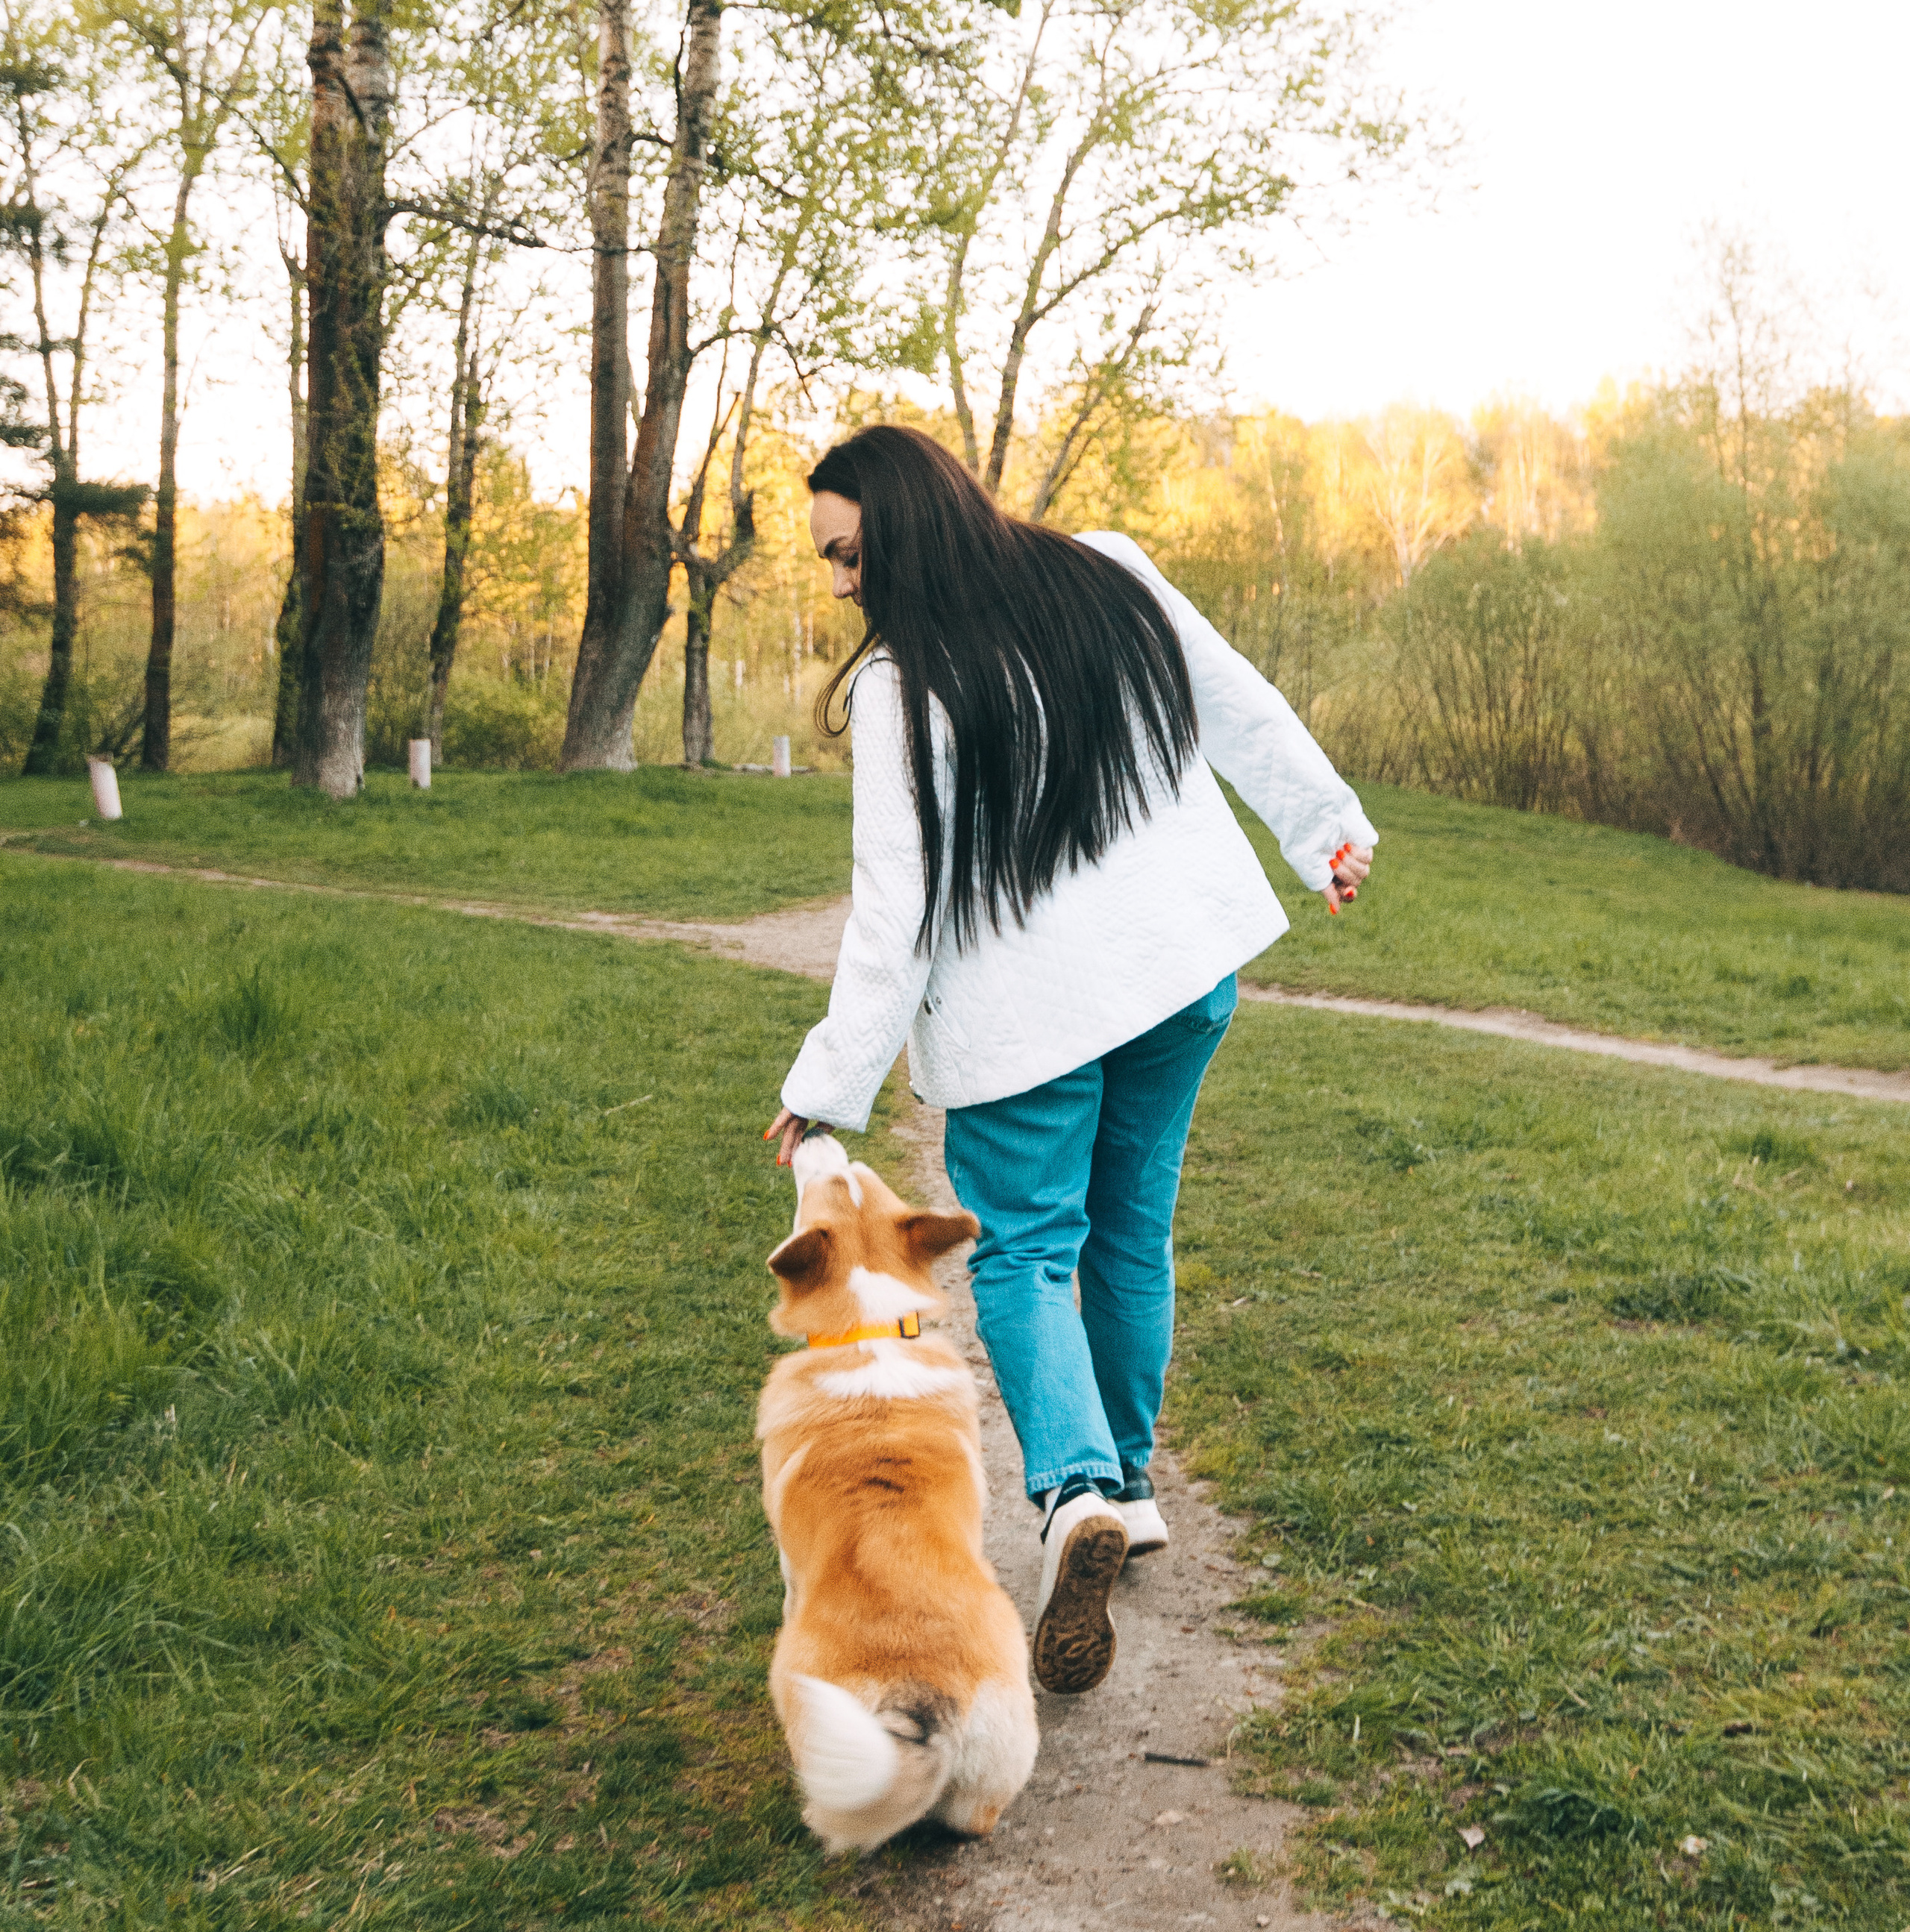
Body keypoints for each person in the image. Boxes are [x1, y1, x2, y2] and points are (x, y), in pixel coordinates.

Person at [764, 425, 1374, 1696]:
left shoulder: (902, 687)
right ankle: (1129, 1487)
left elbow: (894, 909)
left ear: (909, 528)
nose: (844, 584)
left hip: (1028, 1018)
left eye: (850, 554)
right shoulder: (1106, 569)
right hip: (1180, 971)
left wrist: (825, 1088)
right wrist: (1325, 827)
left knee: (1030, 1248)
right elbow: (1236, 699)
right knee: (1132, 1229)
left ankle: (1078, 1489)